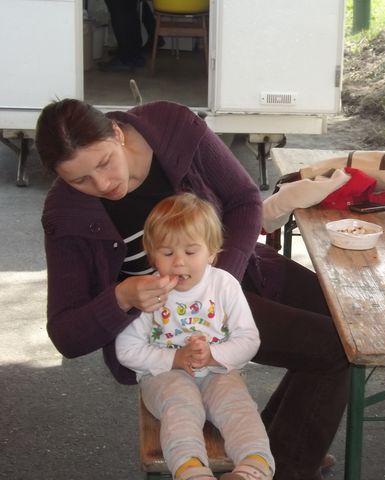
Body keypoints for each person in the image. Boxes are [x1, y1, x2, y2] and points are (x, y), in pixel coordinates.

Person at [35, 98, 349, 480]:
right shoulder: (65, 214)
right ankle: (288, 465)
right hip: (178, 321)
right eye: (79, 180)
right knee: (338, 348)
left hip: (238, 269)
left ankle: (283, 446)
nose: (102, 185)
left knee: (347, 324)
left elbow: (244, 200)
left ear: (116, 132)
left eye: (104, 163)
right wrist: (120, 298)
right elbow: (66, 335)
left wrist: (221, 280)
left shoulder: (172, 127)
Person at [116, 192, 274, 480]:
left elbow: (249, 339)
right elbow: (126, 350)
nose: (179, 263)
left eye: (190, 252)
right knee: (180, 405)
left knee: (237, 405)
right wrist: (175, 358)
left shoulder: (224, 285)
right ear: (152, 255)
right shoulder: (148, 292)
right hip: (164, 376)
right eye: (167, 253)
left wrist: (213, 355)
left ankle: (253, 466)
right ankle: (191, 470)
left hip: (219, 371)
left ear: (211, 252)